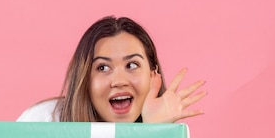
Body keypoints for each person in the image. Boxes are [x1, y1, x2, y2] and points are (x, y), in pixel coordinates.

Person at [17, 16, 207, 123]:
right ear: (85, 80)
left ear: (152, 76)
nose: (119, 80)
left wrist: (154, 134)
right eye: (103, 67)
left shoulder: (163, 131)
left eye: (132, 65)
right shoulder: (43, 120)